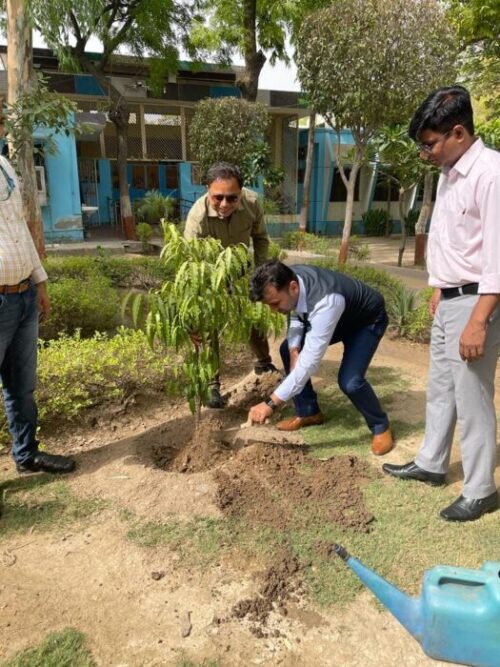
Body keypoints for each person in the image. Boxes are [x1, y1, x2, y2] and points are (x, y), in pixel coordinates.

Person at [382, 85, 500, 522]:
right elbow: (456, 242)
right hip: (450, 298)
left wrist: (478, 320)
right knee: (442, 389)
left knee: (473, 399)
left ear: (458, 132)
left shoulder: (490, 174)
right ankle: (432, 463)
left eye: (429, 144)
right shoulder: (451, 172)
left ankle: (481, 489)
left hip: (476, 304)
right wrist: (439, 287)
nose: (424, 153)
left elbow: (496, 257)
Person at [247, 261, 393, 455]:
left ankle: (380, 426)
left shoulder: (327, 301)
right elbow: (297, 314)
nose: (274, 310)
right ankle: (309, 412)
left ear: (293, 287)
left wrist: (270, 403)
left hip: (365, 321)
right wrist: (294, 351)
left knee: (350, 381)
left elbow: (309, 364)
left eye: (275, 304)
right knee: (287, 348)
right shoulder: (290, 278)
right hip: (341, 317)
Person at [0, 150, 75, 475]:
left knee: (22, 386)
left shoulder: (4, 166)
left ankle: (26, 455)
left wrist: (39, 281)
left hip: (23, 294)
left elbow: (19, 229)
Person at [184, 161, 278, 408]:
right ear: (208, 190)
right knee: (209, 325)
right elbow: (192, 265)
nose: (225, 204)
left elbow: (260, 239)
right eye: (218, 198)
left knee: (253, 316)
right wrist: (194, 308)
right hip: (209, 273)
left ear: (241, 193)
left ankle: (263, 363)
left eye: (232, 198)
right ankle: (212, 384)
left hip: (240, 270)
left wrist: (261, 274)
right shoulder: (198, 218)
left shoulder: (253, 203)